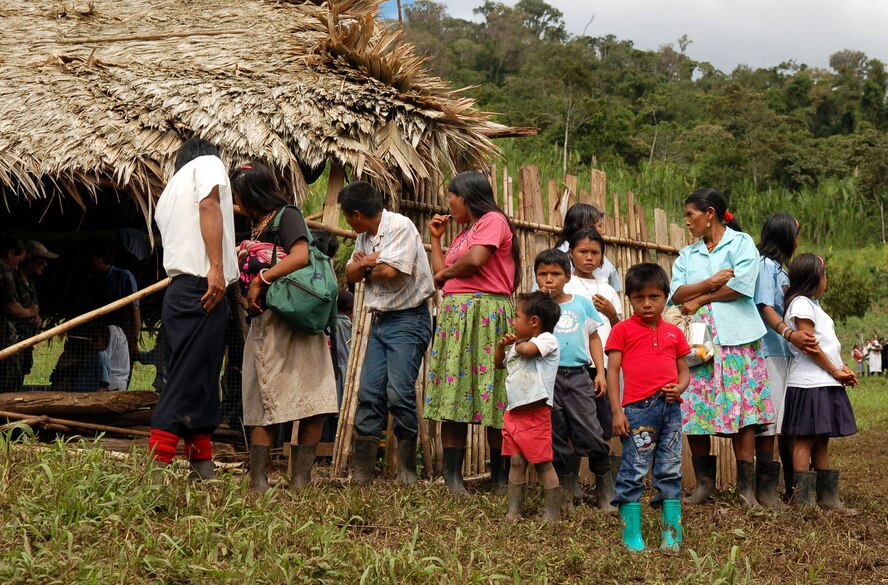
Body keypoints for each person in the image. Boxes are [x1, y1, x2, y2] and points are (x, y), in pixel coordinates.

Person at [229, 161, 339, 492]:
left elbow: (301, 256)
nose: (236, 201)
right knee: (263, 397)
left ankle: (301, 479)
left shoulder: (286, 216)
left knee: (311, 397)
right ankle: (258, 479)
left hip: (293, 320)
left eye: (239, 194)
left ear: (253, 194)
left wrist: (260, 279)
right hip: (267, 322)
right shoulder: (257, 222)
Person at [669, 188, 774, 508]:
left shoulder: (741, 243)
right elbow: (677, 293)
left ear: (710, 213)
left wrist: (701, 297)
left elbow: (742, 285)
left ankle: (746, 489)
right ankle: (704, 487)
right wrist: (712, 282)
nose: (687, 221)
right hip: (699, 343)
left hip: (737, 339)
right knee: (694, 406)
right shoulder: (688, 254)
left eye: (691, 214)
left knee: (741, 411)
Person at [425, 170, 520, 495]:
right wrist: (437, 239)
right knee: (454, 392)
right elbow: (441, 272)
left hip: (487, 315)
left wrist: (447, 275)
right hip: (456, 318)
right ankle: (453, 479)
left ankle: (500, 479)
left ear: (465, 196)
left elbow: (476, 261)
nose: (448, 205)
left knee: (495, 394)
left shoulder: (493, 220)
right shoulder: (465, 233)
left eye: (451, 198)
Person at [149, 137, 238, 481]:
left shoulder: (169, 191)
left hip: (182, 291)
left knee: (200, 379)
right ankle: (155, 474)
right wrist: (217, 266)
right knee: (187, 380)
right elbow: (209, 207)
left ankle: (203, 467)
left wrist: (224, 259)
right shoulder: (208, 164)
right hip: (204, 288)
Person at [341, 181, 435, 485]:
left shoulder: (400, 226)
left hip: (410, 320)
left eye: (346, 216)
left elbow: (393, 272)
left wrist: (367, 265)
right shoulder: (365, 239)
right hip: (381, 320)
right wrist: (372, 262)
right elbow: (351, 275)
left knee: (399, 393)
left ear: (355, 214)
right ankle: (363, 473)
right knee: (368, 392)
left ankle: (407, 471)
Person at [606, 263, 690, 552]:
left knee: (670, 469)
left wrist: (680, 387)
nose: (646, 304)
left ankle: (671, 534)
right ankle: (632, 537)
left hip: (671, 409)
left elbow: (684, 372)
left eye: (654, 297)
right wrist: (617, 410)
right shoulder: (621, 331)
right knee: (634, 469)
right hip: (637, 411)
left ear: (665, 296)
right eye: (639, 298)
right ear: (629, 298)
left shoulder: (674, 334)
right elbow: (612, 372)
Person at [536, 248, 614, 513]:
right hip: (549, 378)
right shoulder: (537, 308)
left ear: (567, 277)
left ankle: (606, 491)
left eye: (555, 274)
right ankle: (565, 494)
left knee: (590, 429)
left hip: (580, 375)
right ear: (535, 277)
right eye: (542, 274)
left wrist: (600, 372)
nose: (549, 280)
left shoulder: (581, 303)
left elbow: (594, 337)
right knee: (557, 433)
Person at [782, 254, 858, 510]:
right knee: (805, 439)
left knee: (821, 438)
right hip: (809, 383)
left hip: (822, 380)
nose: (826, 279)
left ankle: (828, 498)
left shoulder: (812, 305)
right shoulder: (801, 304)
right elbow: (810, 346)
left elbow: (826, 346)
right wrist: (836, 372)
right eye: (824, 274)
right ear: (816, 278)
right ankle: (803, 501)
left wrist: (842, 368)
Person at [753, 213, 817, 506]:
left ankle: (792, 486)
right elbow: (765, 306)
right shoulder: (765, 267)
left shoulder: (782, 270)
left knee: (782, 419)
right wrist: (788, 334)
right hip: (769, 349)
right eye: (797, 233)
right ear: (785, 236)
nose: (798, 239)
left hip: (784, 351)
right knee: (768, 418)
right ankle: (765, 490)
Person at [494, 291, 562, 522]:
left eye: (516, 316)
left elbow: (529, 351)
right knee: (516, 461)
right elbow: (498, 365)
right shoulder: (517, 345)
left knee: (543, 464)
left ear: (533, 322)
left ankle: (552, 514)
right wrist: (501, 348)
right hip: (513, 413)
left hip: (535, 413)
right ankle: (514, 510)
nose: (512, 322)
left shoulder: (546, 340)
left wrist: (518, 343)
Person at [81, 238, 141, 365]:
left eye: (92, 260)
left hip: (122, 340)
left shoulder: (124, 277)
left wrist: (133, 343)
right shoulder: (93, 282)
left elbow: (135, 310)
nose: (89, 264)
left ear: (102, 258)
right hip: (101, 342)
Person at [14, 240, 57, 388]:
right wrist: (28, 313)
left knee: (17, 385)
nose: (45, 264)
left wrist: (37, 318)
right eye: (42, 260)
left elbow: (35, 309)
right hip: (12, 344)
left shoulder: (30, 283)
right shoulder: (13, 280)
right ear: (31, 259)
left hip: (25, 345)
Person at [0, 235, 39, 392]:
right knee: (7, 386)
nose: (17, 267)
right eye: (18, 260)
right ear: (11, 253)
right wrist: (29, 312)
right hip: (4, 343)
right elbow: (10, 307)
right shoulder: (3, 269)